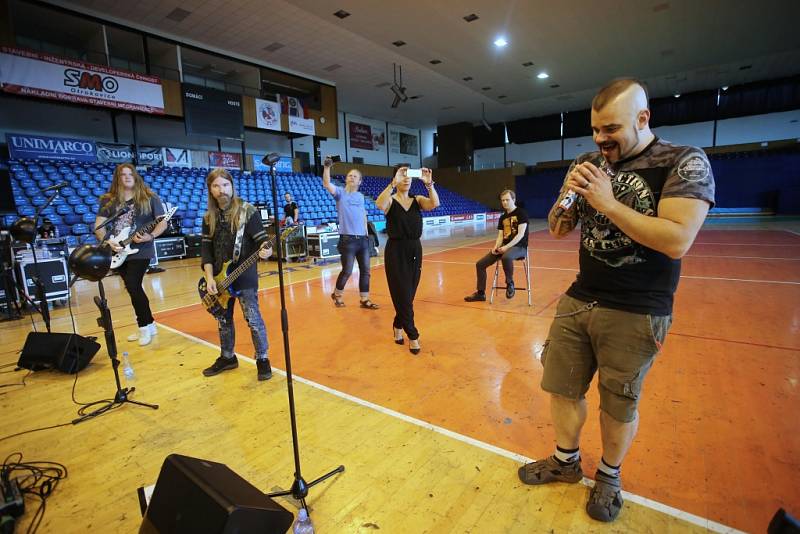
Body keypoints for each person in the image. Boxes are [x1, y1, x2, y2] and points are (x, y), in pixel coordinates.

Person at [517, 78, 715, 522]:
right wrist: (568, 196)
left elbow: (678, 239)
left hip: (638, 307)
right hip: (580, 298)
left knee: (617, 402)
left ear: (643, 119)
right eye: (595, 130)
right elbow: (560, 228)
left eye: (611, 129)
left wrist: (607, 204)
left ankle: (608, 475)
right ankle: (565, 462)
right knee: (561, 387)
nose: (601, 140)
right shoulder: (590, 161)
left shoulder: (683, 162)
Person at [200, 168, 274, 381]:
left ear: (232, 186)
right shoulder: (208, 217)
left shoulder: (247, 211)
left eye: (225, 185)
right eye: (216, 186)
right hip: (218, 278)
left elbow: (262, 241)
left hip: (244, 275)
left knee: (252, 318)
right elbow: (205, 251)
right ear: (211, 190)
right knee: (223, 320)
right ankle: (228, 357)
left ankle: (262, 358)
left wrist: (266, 250)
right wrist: (209, 277)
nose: (221, 190)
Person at [94, 163, 167, 346]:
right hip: (118, 249)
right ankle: (149, 325)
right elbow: (99, 227)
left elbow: (162, 223)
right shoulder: (108, 200)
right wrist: (108, 241)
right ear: (117, 178)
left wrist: (151, 235)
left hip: (140, 249)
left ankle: (143, 328)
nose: (127, 177)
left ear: (135, 177)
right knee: (133, 288)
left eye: (130, 174)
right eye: (122, 174)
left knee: (134, 286)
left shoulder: (150, 197)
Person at [375, 164, 440, 354]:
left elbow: (434, 203)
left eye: (409, 174)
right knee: (402, 294)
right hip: (396, 251)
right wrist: (392, 184)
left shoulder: (417, 199)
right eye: (402, 174)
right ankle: (413, 335)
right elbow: (379, 204)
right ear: (395, 178)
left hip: (415, 250)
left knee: (408, 295)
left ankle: (397, 324)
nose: (407, 178)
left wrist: (429, 185)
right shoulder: (390, 201)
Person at [321, 156, 378, 309]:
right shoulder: (340, 193)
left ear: (360, 182)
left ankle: (364, 299)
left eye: (355, 176)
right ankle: (337, 294)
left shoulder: (360, 196)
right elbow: (327, 183)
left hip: (363, 240)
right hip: (347, 240)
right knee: (347, 270)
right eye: (350, 175)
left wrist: (367, 234)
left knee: (366, 271)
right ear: (346, 179)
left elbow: (363, 214)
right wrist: (327, 167)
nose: (352, 177)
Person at [464, 190, 528, 302]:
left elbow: (521, 234)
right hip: (504, 247)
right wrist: (495, 247)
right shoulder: (502, 217)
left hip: (519, 247)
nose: (505, 202)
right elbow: (500, 236)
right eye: (503, 200)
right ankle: (481, 293)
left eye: (507, 200)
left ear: (513, 200)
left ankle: (510, 284)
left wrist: (506, 247)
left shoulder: (521, 213)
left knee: (506, 257)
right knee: (480, 264)